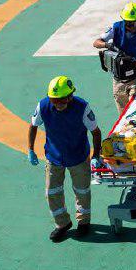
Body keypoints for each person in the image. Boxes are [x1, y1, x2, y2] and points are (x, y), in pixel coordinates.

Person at [27, 75, 104, 243]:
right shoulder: (43, 106)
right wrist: (31, 150)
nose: (57, 104)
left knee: (82, 191)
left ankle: (83, 222)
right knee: (51, 192)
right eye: (54, 100)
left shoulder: (82, 107)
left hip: (78, 157)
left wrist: (95, 156)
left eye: (61, 100)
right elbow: (33, 126)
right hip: (54, 158)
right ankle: (62, 224)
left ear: (70, 96)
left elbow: (96, 132)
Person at [92, 2, 136, 115]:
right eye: (127, 23)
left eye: (132, 23)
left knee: (135, 109)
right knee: (123, 113)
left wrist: (130, 67)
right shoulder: (115, 28)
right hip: (118, 78)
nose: (129, 26)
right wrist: (107, 45)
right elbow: (96, 42)